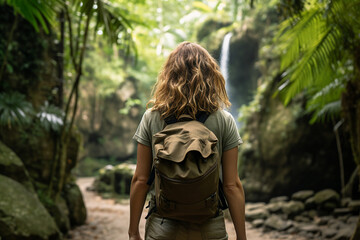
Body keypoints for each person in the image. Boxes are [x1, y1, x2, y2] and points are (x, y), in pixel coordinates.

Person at [128, 41, 247, 240]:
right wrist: (242, 237)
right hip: (209, 229)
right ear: (210, 75)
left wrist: (133, 233)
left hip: (163, 227)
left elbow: (140, 180)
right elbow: (232, 185)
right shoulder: (224, 120)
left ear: (168, 75)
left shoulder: (151, 117)